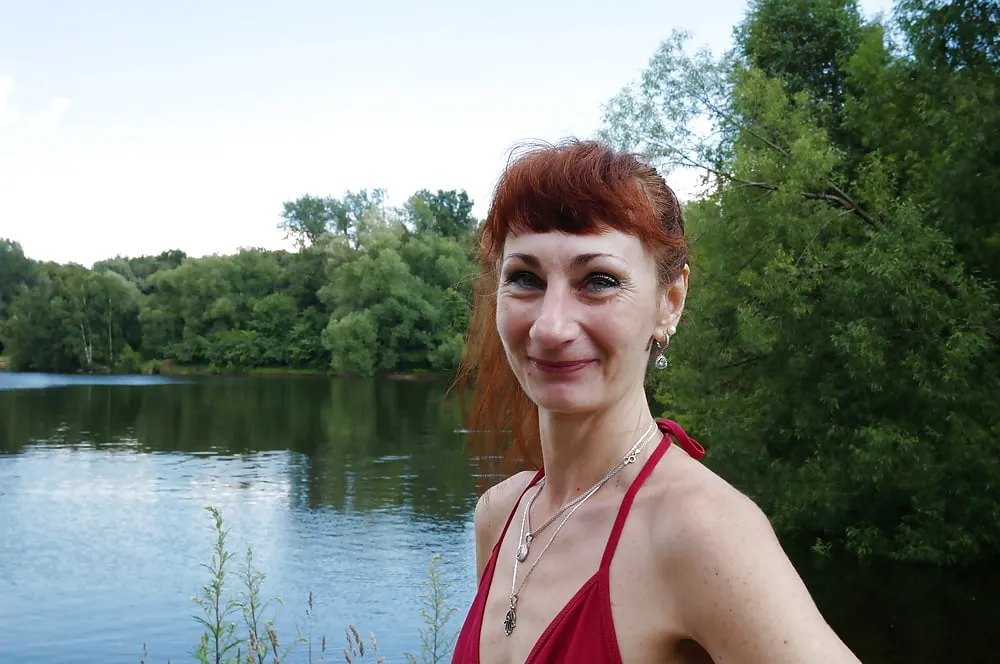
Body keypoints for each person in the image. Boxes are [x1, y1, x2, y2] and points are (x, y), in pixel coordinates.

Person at [450, 140, 861, 663]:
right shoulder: (501, 515)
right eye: (525, 279)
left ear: (669, 303)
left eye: (598, 281)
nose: (550, 327)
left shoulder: (700, 531)